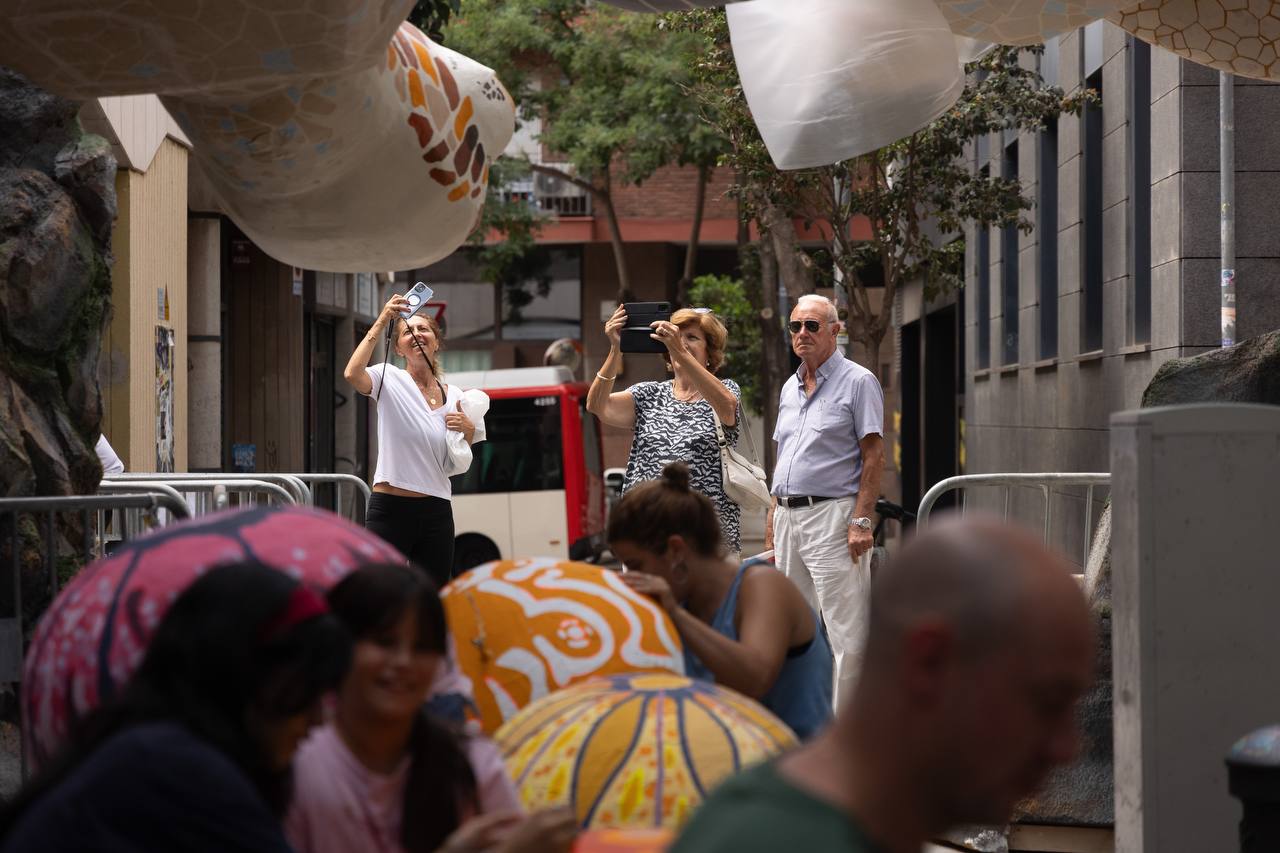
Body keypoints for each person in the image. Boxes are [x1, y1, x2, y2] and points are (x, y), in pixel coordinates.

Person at [671, 516, 1096, 853]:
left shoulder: (780, 821)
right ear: (929, 662)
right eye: (1046, 700)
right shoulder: (778, 840)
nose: (1066, 747)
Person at [0, 563, 352, 853]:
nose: (318, 720)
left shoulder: (150, 742)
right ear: (248, 673)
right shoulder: (183, 770)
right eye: (306, 690)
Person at [288, 563, 576, 853]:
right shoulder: (297, 770)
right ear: (339, 646)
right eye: (384, 642)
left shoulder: (472, 763)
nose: (403, 662)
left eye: (422, 647)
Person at [608, 463, 832, 739]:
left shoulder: (762, 586)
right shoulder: (684, 605)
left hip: (796, 771)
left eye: (635, 564)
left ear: (676, 550)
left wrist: (675, 614)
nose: (633, 576)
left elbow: (755, 677)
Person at [765, 294, 885, 702]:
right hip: (787, 516)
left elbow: (874, 455)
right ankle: (803, 720)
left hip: (832, 516)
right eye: (795, 326)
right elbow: (784, 455)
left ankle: (847, 733)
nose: (801, 334)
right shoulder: (789, 387)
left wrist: (862, 520)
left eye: (812, 325)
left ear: (835, 331)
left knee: (846, 630)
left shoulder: (858, 381)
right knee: (791, 625)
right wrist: (772, 513)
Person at [344, 295, 483, 588]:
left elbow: (456, 460)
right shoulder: (388, 378)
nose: (416, 335)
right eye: (408, 331)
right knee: (382, 592)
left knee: (434, 595)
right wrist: (383, 319)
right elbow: (351, 374)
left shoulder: (457, 396)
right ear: (398, 348)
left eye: (424, 330)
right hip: (391, 508)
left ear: (436, 342)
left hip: (437, 509)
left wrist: (468, 433)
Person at [587, 305, 746, 556]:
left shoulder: (725, 390)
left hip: (705, 537)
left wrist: (679, 350)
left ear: (710, 353)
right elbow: (596, 406)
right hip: (648, 535)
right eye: (675, 337)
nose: (680, 343)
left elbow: (727, 408)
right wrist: (615, 348)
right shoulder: (649, 394)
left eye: (691, 338)